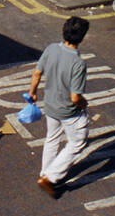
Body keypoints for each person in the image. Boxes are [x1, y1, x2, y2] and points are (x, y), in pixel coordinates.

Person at [27, 16, 90, 197]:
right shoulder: (78, 63)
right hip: (68, 112)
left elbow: (37, 73)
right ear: (82, 37)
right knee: (77, 142)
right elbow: (75, 96)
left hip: (50, 105)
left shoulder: (51, 49)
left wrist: (32, 92)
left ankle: (45, 172)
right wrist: (84, 104)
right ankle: (50, 177)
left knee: (52, 138)